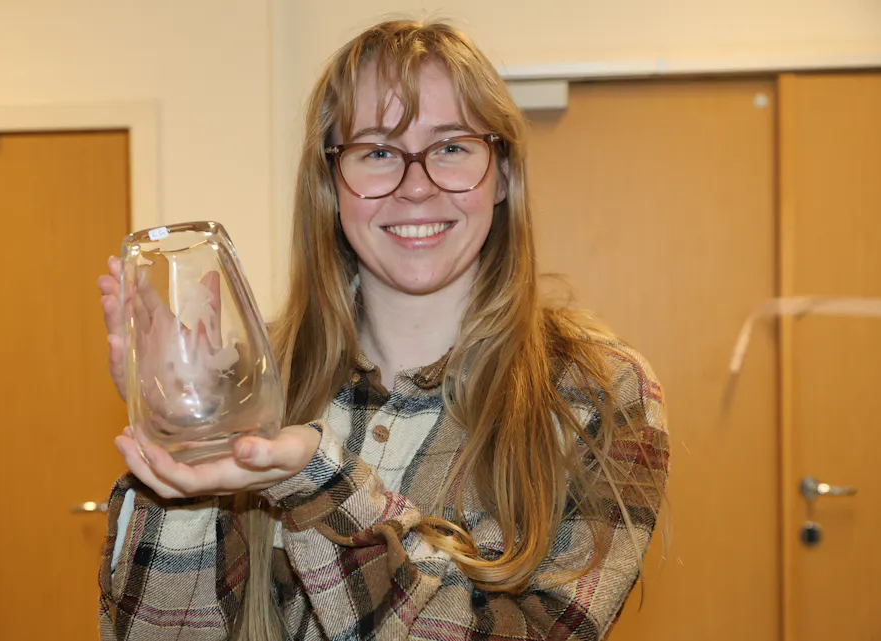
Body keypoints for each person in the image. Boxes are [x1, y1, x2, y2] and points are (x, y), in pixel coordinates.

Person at [96, 18, 669, 641]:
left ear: (502, 173)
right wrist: (187, 440)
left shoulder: (599, 393)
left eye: (451, 147)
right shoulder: (247, 385)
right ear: (330, 183)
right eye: (377, 152)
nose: (416, 187)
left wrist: (319, 481)